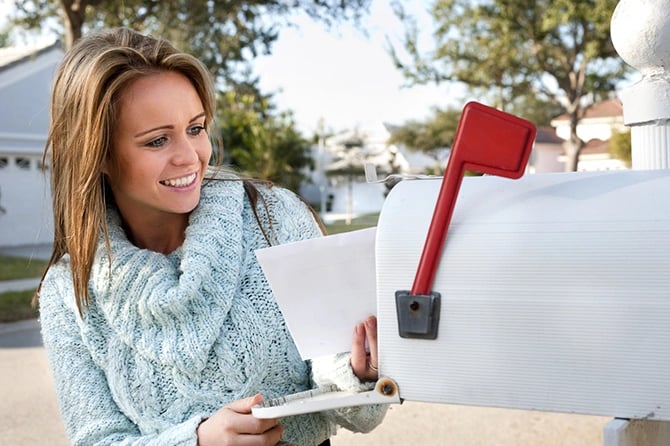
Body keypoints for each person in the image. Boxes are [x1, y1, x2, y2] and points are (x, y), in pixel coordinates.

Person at [36, 27, 386, 446]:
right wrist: (198, 441)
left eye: (196, 128)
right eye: (158, 140)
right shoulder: (68, 290)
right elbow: (96, 440)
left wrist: (359, 369)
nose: (190, 156)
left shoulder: (275, 220)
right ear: (99, 154)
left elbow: (347, 391)